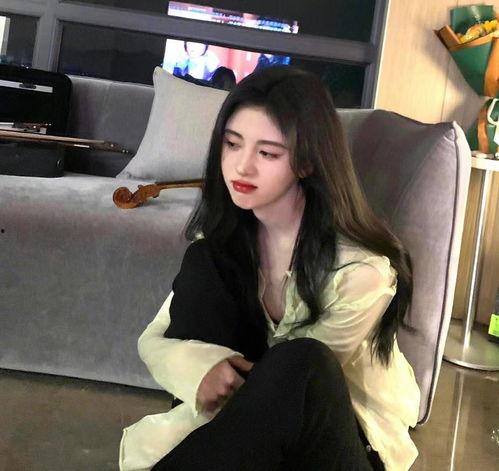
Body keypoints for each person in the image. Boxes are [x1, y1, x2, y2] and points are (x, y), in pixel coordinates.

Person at [119, 66, 420, 471]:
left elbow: (288, 391)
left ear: (307, 162)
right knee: (205, 263)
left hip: (333, 446)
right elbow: (153, 339)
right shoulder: (225, 245)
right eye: (232, 144)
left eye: (267, 153)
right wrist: (203, 367)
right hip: (246, 438)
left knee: (304, 362)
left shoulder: (360, 272)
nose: (241, 167)